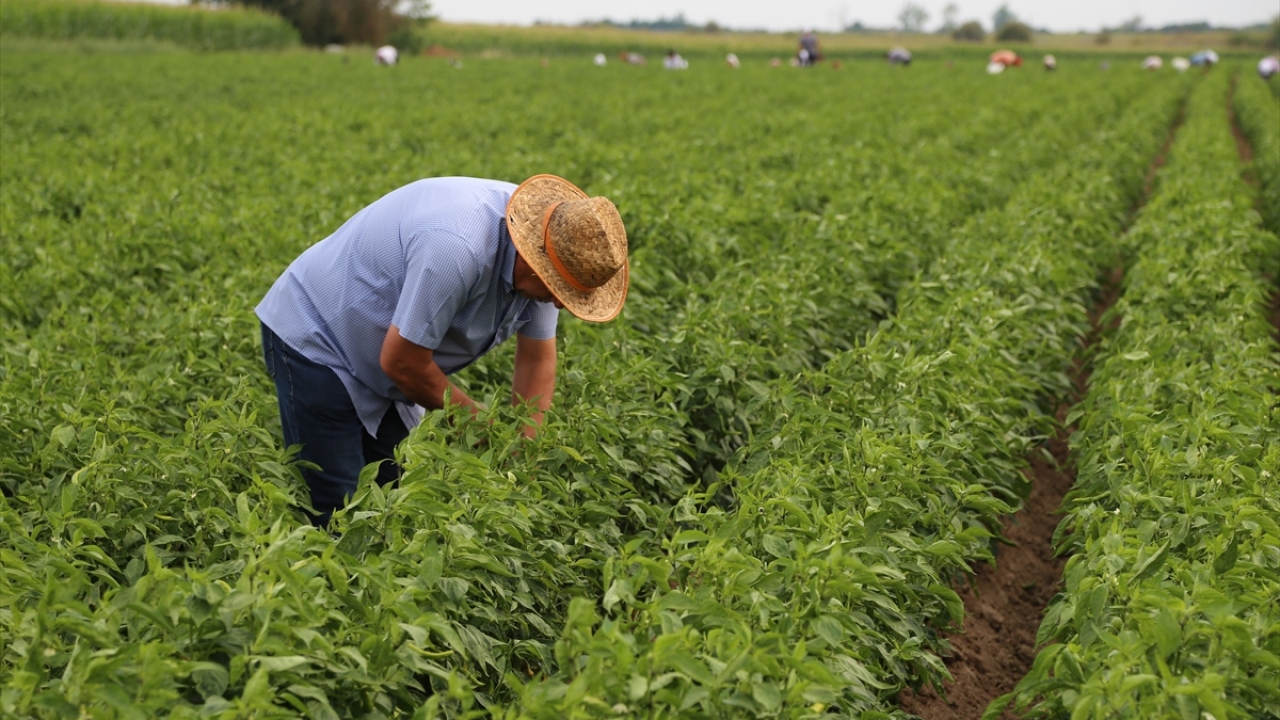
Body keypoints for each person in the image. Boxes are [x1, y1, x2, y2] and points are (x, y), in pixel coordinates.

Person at [256, 175, 629, 526]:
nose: (561, 305)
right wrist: (479, 425)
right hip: (320, 336)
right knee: (339, 511)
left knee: (394, 501)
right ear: (536, 267)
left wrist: (521, 454)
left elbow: (537, 359)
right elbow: (402, 362)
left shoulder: (557, 246)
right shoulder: (457, 248)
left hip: (384, 358)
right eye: (560, 292)